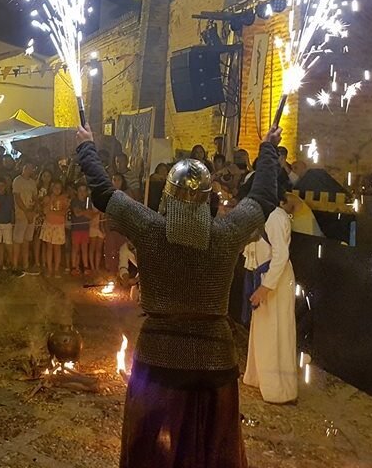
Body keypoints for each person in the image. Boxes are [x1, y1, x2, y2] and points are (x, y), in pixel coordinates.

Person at [75, 121, 283, 468]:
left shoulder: (151, 228)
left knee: (150, 449)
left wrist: (86, 147)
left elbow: (103, 194)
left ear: (167, 195)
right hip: (213, 358)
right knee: (210, 449)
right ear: (208, 199)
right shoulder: (226, 233)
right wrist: (268, 150)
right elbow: (263, 198)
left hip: (159, 357)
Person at [242, 191, 299, 404]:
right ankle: (259, 377)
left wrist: (265, 287)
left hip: (276, 281)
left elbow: (280, 255)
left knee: (276, 331)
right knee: (263, 330)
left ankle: (279, 389)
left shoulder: (275, 217)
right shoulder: (262, 216)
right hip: (263, 277)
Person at [12, 162, 37, 275]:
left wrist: (33, 210)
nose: (29, 170)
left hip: (31, 215)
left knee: (27, 240)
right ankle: (15, 265)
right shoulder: (17, 181)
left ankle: (25, 264)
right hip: (21, 215)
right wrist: (26, 211)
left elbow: (35, 197)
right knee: (18, 241)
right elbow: (17, 198)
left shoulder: (32, 183)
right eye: (27, 167)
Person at [40, 180, 69, 277]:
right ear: (52, 188)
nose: (57, 190)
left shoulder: (64, 199)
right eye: (55, 187)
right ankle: (49, 269)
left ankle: (56, 269)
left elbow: (63, 212)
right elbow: (44, 211)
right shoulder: (47, 198)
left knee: (57, 248)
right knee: (49, 248)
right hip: (49, 224)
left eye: (59, 188)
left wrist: (52, 212)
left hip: (59, 225)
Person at [0, 177, 16, 273]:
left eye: (3, 186)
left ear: (6, 186)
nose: (1, 188)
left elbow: (12, 210)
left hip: (7, 223)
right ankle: (0, 263)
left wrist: (13, 222)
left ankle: (10, 262)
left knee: (8, 244)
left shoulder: (10, 197)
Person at [69, 182, 91, 276]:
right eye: (80, 190)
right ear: (77, 192)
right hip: (76, 228)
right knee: (75, 248)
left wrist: (84, 212)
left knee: (84, 248)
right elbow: (77, 213)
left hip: (85, 228)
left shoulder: (88, 201)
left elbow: (90, 215)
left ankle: (86, 267)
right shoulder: (74, 201)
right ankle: (74, 267)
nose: (82, 193)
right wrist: (85, 212)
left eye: (84, 190)